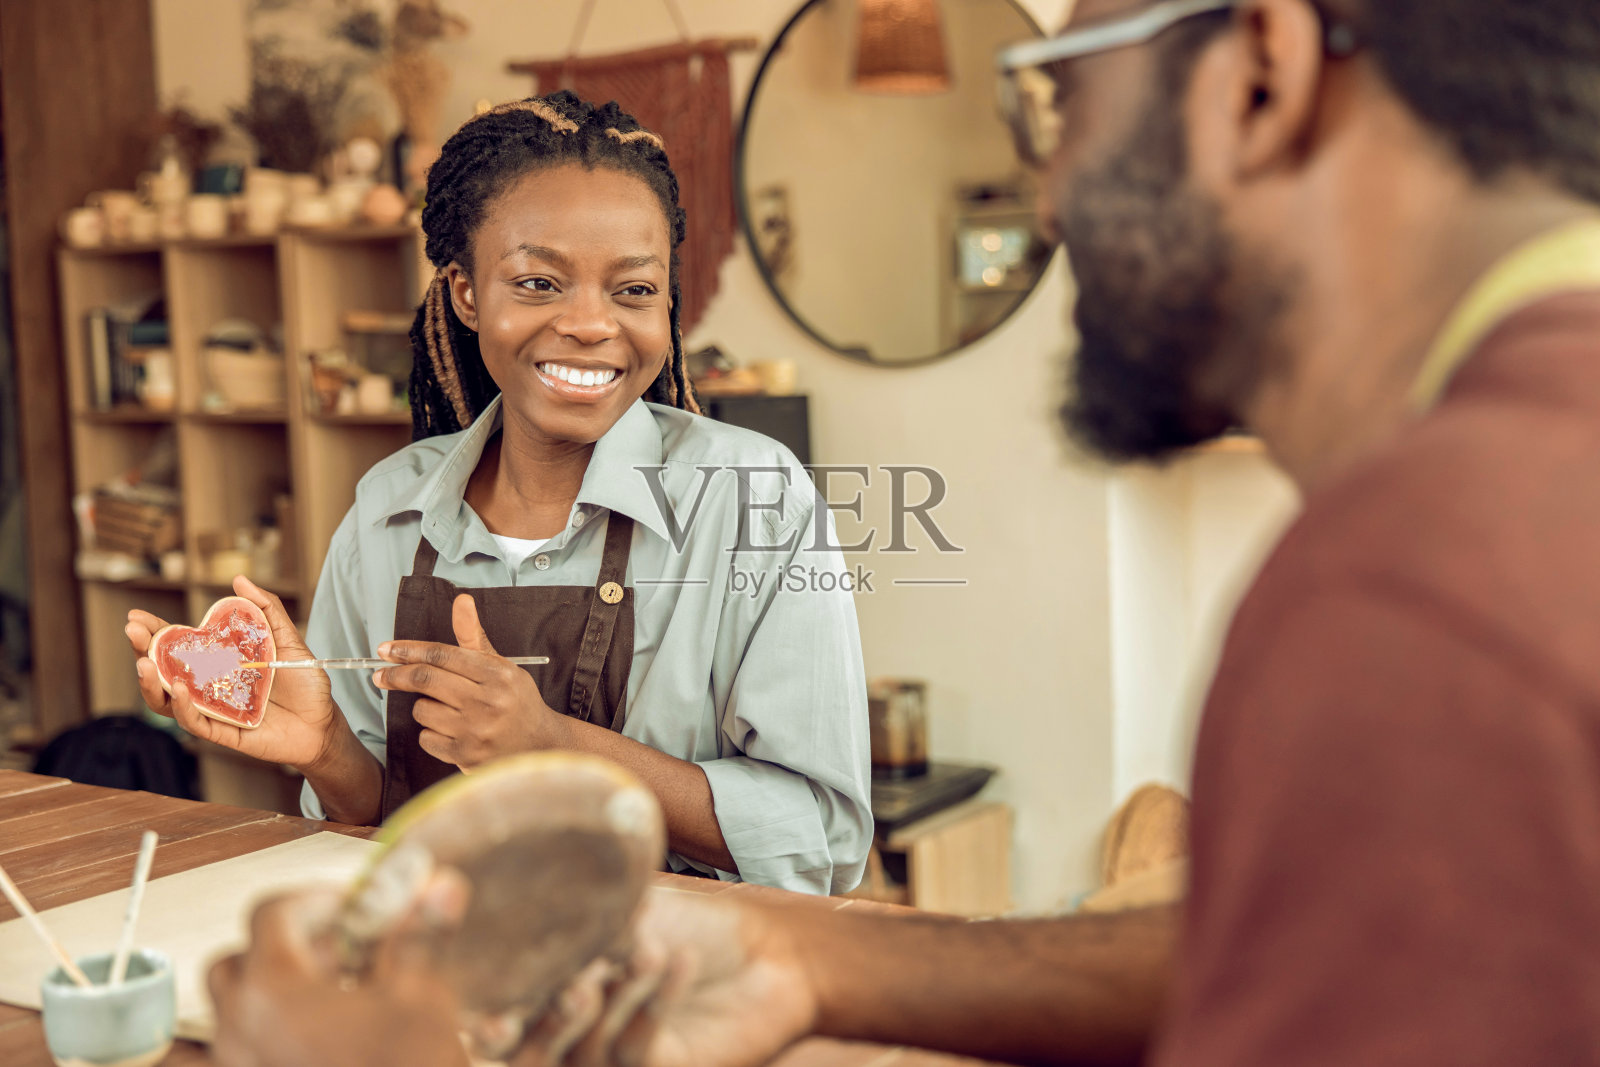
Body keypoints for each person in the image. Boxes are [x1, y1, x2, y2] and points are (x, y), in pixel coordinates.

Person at [207, 0, 1600, 1063]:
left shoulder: (1422, 591)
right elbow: (1285, 939)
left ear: (1262, 76)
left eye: (1056, 106)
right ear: (459, 293)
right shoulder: (1496, 506)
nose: (1044, 203)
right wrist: (805, 954)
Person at [125, 91, 872, 894]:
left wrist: (555, 743)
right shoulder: (389, 510)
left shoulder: (753, 497)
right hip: (436, 968)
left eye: (633, 290)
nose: (592, 323)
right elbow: (389, 822)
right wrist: (326, 748)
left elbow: (819, 838)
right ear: (467, 294)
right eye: (540, 283)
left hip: (669, 978)